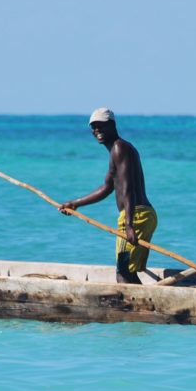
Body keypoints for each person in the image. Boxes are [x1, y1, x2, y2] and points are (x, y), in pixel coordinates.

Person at [59, 108, 157, 284]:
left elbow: (128, 189)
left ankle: (134, 303)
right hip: (142, 215)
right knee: (128, 271)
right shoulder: (117, 150)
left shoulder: (119, 148)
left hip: (136, 216)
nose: (97, 130)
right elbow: (107, 187)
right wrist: (75, 203)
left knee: (123, 273)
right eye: (93, 127)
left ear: (112, 125)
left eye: (101, 126)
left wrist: (129, 225)